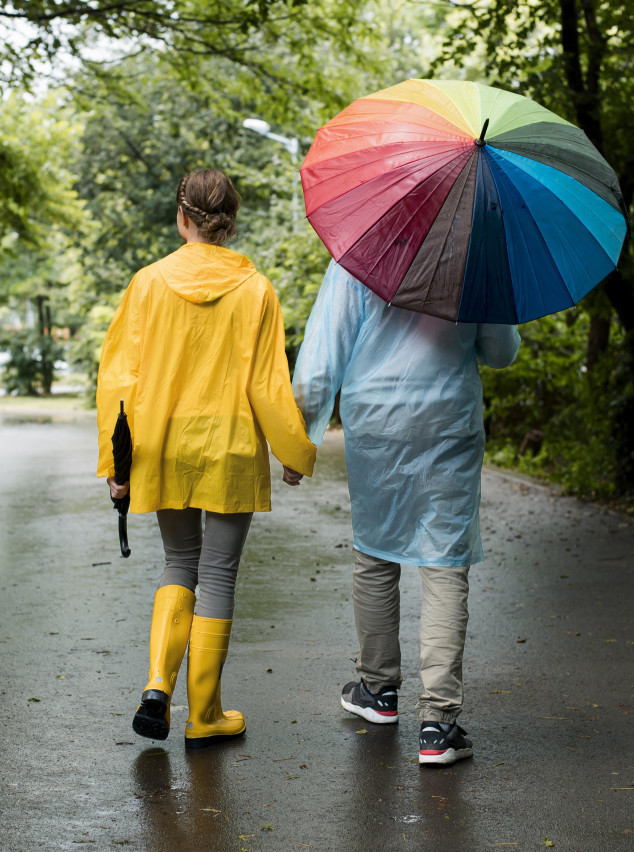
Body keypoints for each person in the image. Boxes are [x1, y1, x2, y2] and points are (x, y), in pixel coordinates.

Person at [96, 169, 317, 749]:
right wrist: (293, 451)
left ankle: (155, 688)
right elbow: (269, 384)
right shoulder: (257, 289)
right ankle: (205, 715)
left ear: (182, 217)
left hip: (164, 443)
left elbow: (120, 382)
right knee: (217, 574)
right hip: (231, 445)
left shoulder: (146, 284)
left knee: (178, 564)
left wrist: (119, 465)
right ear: (231, 221)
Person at [291, 259, 520, 766]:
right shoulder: (474, 255)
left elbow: (319, 366)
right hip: (448, 422)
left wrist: (298, 440)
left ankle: (378, 690)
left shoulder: (357, 255)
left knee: (374, 555)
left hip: (376, 425)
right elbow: (501, 353)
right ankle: (438, 724)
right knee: (445, 563)